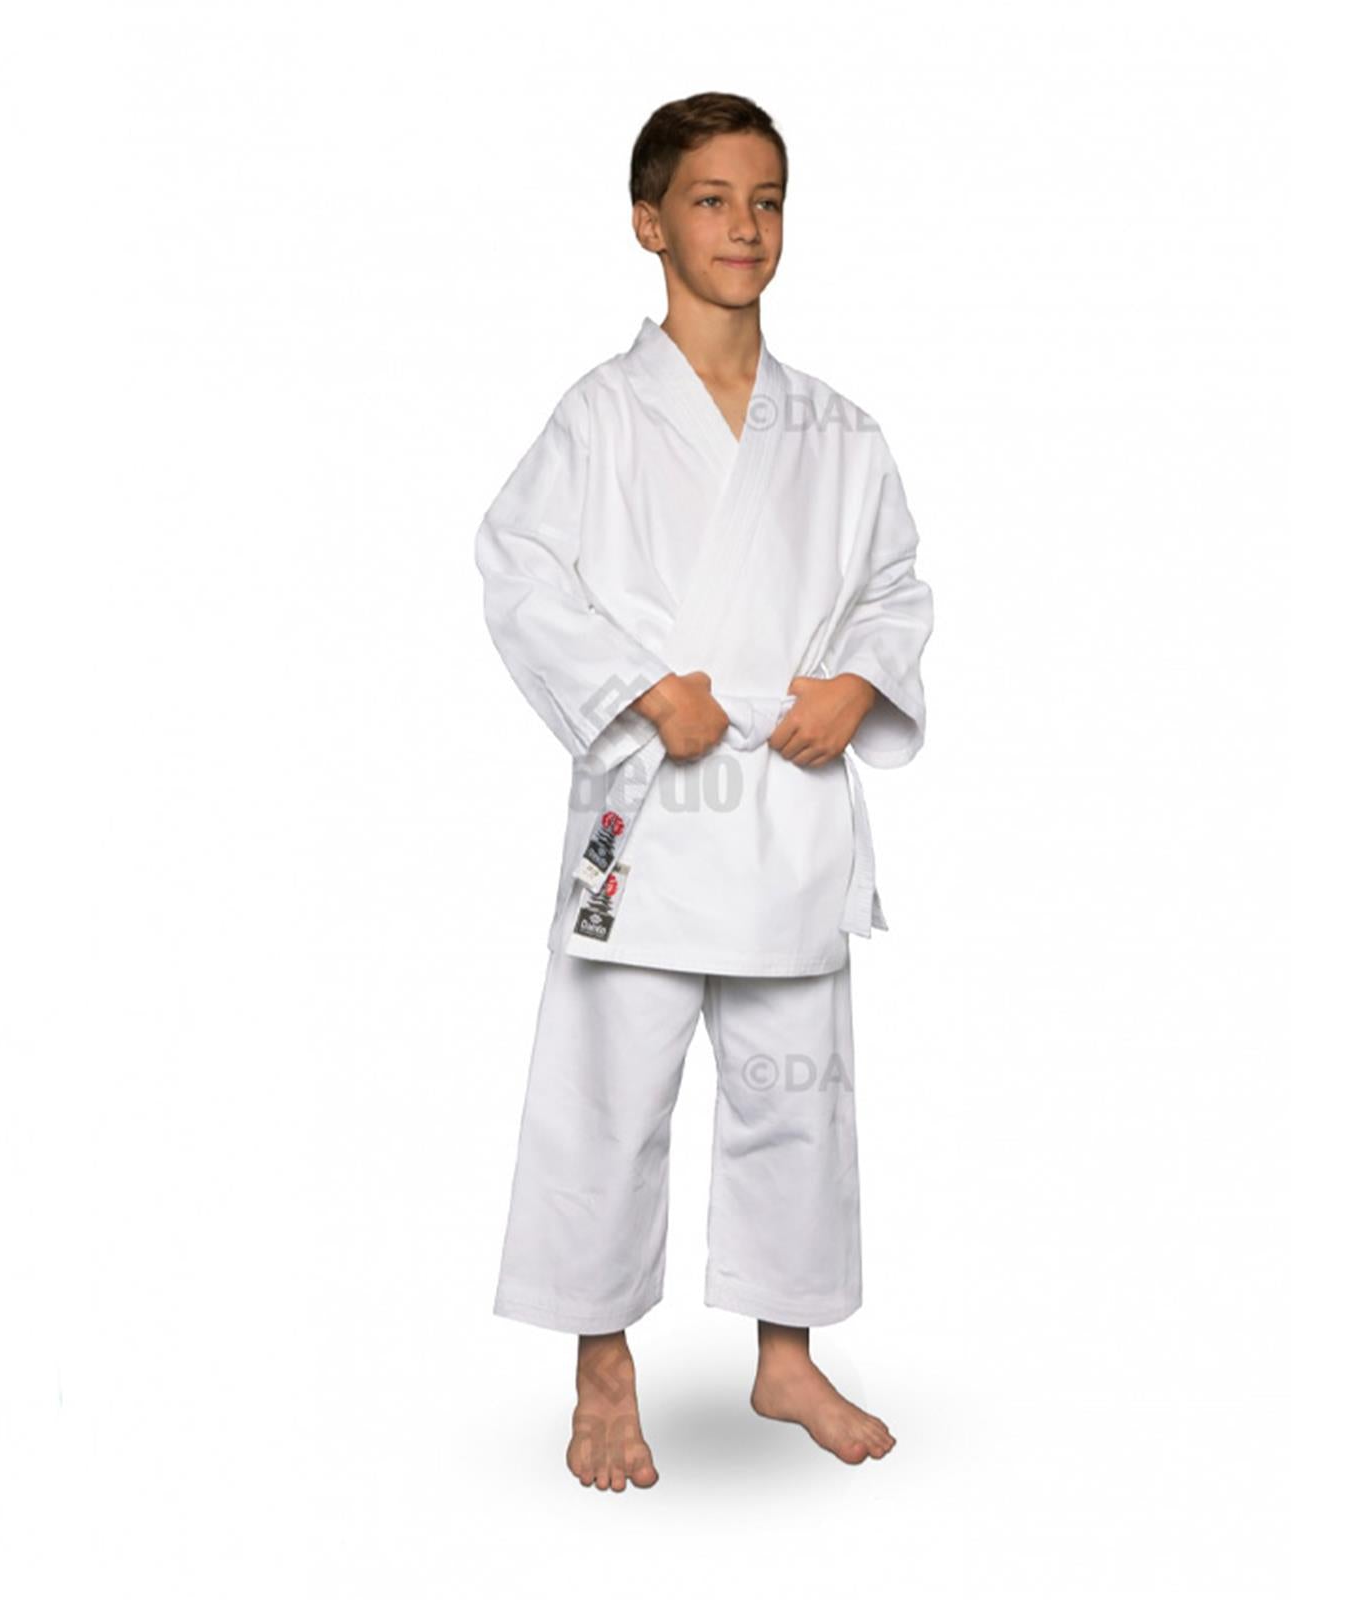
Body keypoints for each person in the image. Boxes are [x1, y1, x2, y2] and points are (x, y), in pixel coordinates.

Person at [475, 91, 935, 1492]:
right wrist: (635, 689)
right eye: (713, 199)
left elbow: (894, 587)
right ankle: (601, 1364)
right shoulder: (603, 414)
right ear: (649, 222)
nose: (745, 226)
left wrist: (859, 683)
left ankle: (786, 1353)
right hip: (653, 811)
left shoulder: (838, 429)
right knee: (606, 1098)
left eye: (767, 200)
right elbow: (517, 570)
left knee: (799, 1097)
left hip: (786, 806)